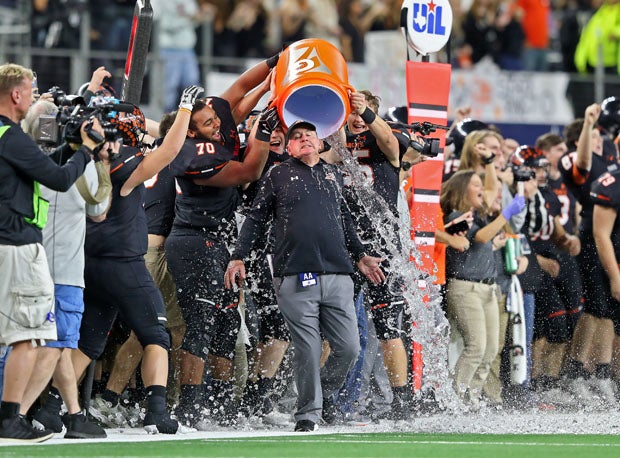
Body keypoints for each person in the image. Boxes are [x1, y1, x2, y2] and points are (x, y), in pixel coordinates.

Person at [225, 120, 385, 432]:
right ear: (288, 147)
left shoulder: (333, 174)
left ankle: (320, 396)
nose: (303, 139)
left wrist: (360, 254)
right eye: (295, 137)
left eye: (308, 135)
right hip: (294, 274)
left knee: (350, 347)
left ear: (319, 142)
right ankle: (308, 414)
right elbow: (256, 219)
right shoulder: (278, 173)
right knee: (308, 349)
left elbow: (345, 221)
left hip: (339, 274)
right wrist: (238, 255)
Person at [69, 85, 205, 435]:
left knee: (89, 342)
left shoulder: (86, 156)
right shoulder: (126, 161)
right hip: (123, 261)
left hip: (88, 258)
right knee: (156, 334)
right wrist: (186, 109)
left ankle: (56, 407)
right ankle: (157, 411)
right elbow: (171, 148)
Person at [163, 57, 279, 428]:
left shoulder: (213, 122)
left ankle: (219, 403)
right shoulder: (190, 155)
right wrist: (261, 134)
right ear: (191, 132)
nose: (216, 125)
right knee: (200, 323)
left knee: (227, 325)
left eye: (214, 119)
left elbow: (242, 85)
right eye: (207, 124)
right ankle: (190, 406)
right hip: (195, 241)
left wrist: (278, 60)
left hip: (222, 241)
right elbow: (249, 171)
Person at [0, 63, 102, 442]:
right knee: (30, 336)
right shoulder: (11, 135)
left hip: (5, 244)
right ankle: (11, 419)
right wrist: (87, 151)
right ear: (16, 94)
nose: (32, 98)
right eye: (29, 91)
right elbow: (58, 178)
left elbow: (42, 165)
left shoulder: (5, 137)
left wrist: (71, 148)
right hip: (17, 246)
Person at [18, 99, 110, 439]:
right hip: (66, 272)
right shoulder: (78, 163)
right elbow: (99, 208)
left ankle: (73, 415)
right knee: (57, 345)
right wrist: (98, 159)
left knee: (55, 345)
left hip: (31, 266)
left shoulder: (25, 159)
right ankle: (17, 413)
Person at [322, 90, 411, 420]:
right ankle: (322, 396)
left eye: (364, 111)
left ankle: (402, 401)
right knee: (331, 328)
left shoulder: (386, 145)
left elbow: (388, 138)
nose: (357, 116)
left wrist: (366, 114)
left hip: (382, 248)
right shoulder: (339, 147)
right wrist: (335, 124)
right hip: (343, 246)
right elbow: (319, 155)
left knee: (389, 326)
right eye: (353, 111)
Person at [441, 170, 525, 408]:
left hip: (487, 289)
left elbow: (483, 239)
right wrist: (507, 213)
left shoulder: (479, 217)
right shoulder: (457, 215)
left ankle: (473, 397)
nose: (482, 189)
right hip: (466, 288)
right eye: (475, 184)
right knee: (476, 347)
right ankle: (454, 399)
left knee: (489, 350)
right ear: (461, 190)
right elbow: (479, 237)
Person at [558, 103, 619, 403]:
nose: (599, 142)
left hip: (611, 233)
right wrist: (587, 126)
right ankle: (576, 371)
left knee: (609, 310)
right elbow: (581, 163)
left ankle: (602, 371)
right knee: (594, 308)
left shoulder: (608, 151)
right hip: (593, 238)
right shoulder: (578, 156)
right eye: (594, 137)